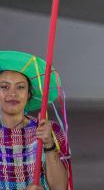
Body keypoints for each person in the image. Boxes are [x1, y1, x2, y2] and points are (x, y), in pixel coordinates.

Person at [0, 52, 70, 190]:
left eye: (20, 87)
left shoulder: (47, 131)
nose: (12, 93)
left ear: (29, 94)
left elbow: (60, 187)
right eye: (4, 87)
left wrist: (49, 144)